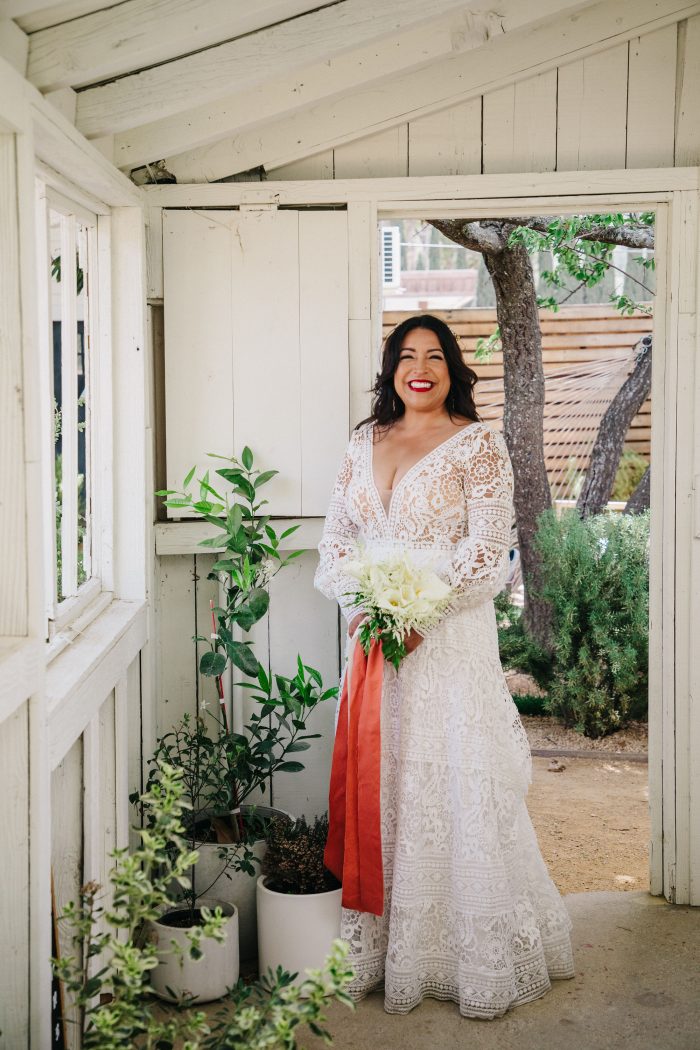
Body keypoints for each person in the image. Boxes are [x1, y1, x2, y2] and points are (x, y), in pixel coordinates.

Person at [313, 314, 575, 1019]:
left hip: (448, 640)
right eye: (406, 356)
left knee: (451, 779)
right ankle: (381, 949)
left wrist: (417, 615)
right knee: (385, 776)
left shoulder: (478, 445)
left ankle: (471, 957)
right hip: (373, 642)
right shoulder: (362, 441)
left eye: (434, 356)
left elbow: (492, 549)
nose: (419, 367)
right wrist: (363, 605)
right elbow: (337, 535)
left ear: (453, 368)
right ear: (391, 369)